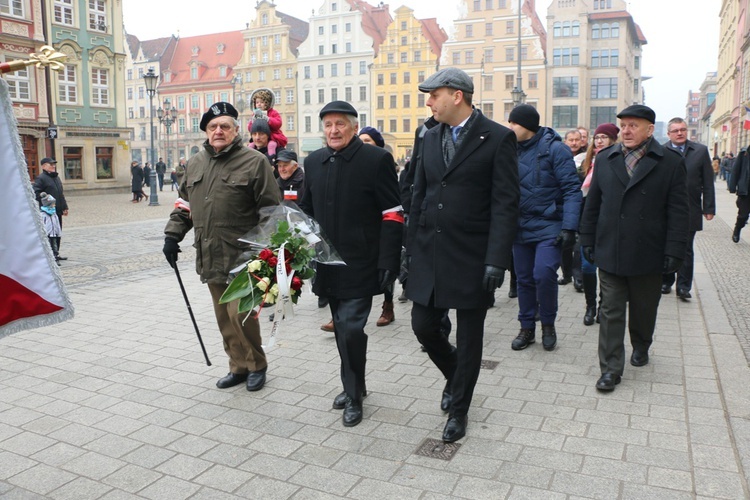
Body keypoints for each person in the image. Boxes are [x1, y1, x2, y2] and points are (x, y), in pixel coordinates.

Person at [407, 67, 519, 443]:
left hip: (473, 255)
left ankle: (459, 410)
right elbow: (418, 192)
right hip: (430, 250)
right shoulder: (428, 135)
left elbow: (505, 203)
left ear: (457, 95)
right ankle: (456, 375)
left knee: (471, 338)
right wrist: (410, 247)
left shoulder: (498, 138)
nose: (428, 101)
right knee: (423, 326)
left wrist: (497, 260)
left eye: (434, 94)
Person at [163, 102, 281, 392]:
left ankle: (257, 365)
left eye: (225, 126)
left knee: (240, 315)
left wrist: (265, 254)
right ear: (205, 131)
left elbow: (271, 211)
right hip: (210, 252)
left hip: (244, 256)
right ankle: (238, 366)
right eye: (213, 126)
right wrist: (172, 236)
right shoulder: (194, 163)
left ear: (236, 131)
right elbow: (184, 205)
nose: (218, 131)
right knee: (223, 318)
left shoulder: (254, 162)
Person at [299, 100, 403, 428]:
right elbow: (304, 210)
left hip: (362, 261)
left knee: (351, 329)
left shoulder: (376, 160)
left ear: (354, 127)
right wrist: (297, 247)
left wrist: (389, 261)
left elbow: (392, 213)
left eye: (340, 124)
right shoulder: (314, 161)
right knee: (343, 329)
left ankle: (354, 396)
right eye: (328, 125)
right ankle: (355, 383)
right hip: (326, 263)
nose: (333, 130)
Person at [579, 104, 688, 392]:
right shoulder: (606, 159)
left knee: (643, 309)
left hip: (648, 252)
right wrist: (586, 239)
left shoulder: (670, 162)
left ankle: (642, 344)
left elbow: (679, 212)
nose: (625, 130)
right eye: (623, 125)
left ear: (650, 130)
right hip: (611, 249)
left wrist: (675, 251)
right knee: (611, 311)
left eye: (633, 125)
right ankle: (611, 370)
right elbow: (593, 205)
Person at [507, 104, 582, 352]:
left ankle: (548, 325)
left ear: (527, 125)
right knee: (524, 280)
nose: (510, 128)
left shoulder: (556, 149)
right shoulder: (509, 150)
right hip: (519, 226)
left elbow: (572, 189)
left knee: (544, 274)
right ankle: (526, 327)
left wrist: (570, 227)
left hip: (550, 224)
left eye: (514, 123)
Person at [661, 118, 715, 299]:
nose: (679, 133)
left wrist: (709, 207)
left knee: (686, 248)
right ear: (669, 134)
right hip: (665, 209)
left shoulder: (699, 151)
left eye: (683, 129)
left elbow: (708, 181)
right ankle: (666, 281)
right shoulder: (661, 151)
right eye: (675, 130)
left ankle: (684, 286)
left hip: (690, 208)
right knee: (665, 245)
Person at [579, 123, 619, 325]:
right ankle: (590, 306)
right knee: (587, 266)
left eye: (604, 136)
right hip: (587, 221)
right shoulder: (586, 162)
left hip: (608, 224)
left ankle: (604, 306)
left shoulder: (617, 160)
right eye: (597, 137)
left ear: (612, 139)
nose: (599, 140)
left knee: (604, 268)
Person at [33, 157, 69, 262]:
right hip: (47, 211)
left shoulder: (56, 177)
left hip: (57, 210)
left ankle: (56, 253)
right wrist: (45, 197)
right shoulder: (41, 178)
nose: (53, 166)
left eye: (54, 164)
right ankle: (51, 255)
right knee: (50, 233)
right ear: (44, 166)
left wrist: (64, 207)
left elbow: (60, 194)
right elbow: (35, 193)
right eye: (51, 164)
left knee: (57, 232)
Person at [247, 88, 288, 156]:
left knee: (271, 145)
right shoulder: (254, 114)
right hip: (260, 137)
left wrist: (268, 119)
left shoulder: (273, 112)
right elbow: (250, 129)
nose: (259, 104)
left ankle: (272, 158)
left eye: (262, 102)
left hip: (273, 136)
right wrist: (252, 122)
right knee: (250, 145)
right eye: (257, 102)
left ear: (267, 103)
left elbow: (278, 123)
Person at [729, 147, 750, 242]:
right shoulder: (744, 153)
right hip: (746, 191)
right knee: (743, 215)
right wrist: (732, 187)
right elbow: (735, 170)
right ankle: (737, 229)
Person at [39, 192, 62, 265]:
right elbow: (41, 224)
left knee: (54, 245)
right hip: (48, 233)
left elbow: (57, 223)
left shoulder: (54, 213)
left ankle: (55, 257)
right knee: (48, 245)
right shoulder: (43, 214)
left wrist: (58, 232)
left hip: (53, 233)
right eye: (52, 204)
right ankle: (48, 258)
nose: (54, 205)